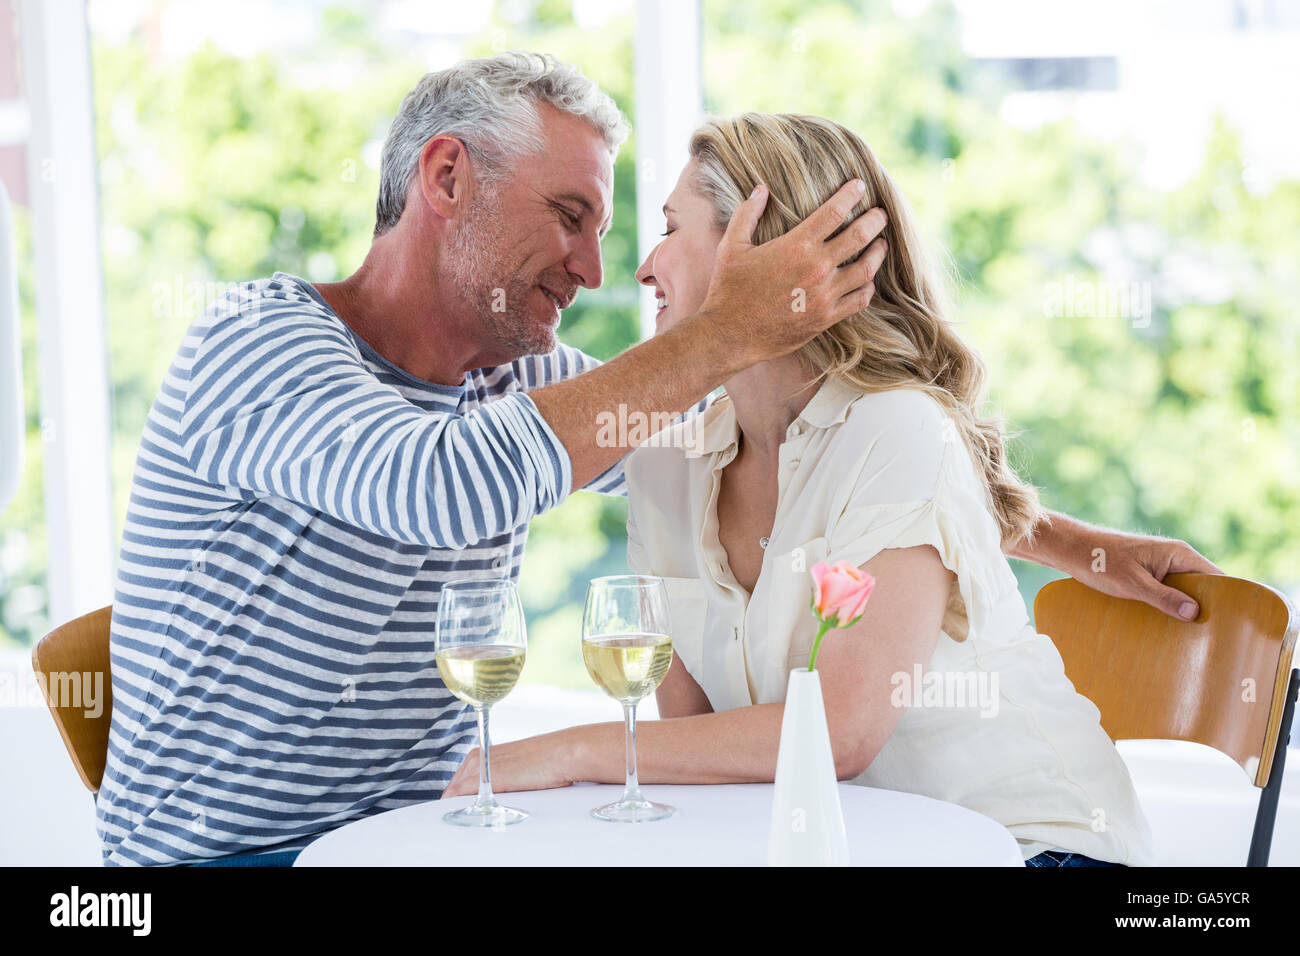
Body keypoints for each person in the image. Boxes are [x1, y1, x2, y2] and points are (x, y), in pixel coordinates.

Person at [100, 53, 1213, 866]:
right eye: (569, 214)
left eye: (622, 225)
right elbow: (437, 485)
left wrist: (1055, 535)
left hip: (416, 838)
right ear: (445, 178)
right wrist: (722, 330)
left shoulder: (529, 391)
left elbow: (819, 461)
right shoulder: (257, 344)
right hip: (221, 862)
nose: (598, 266)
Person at [443, 112, 1222, 866]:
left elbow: (842, 731)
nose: (643, 267)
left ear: (770, 255)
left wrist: (572, 751)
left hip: (1032, 847)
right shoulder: (662, 462)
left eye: (673, 228)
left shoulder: (898, 430)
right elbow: (703, 755)